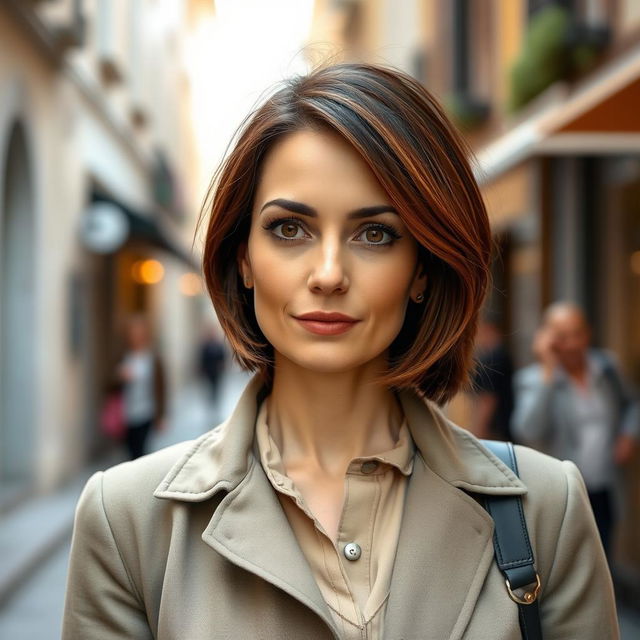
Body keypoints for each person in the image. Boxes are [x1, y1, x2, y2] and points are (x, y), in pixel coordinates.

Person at [63, 64, 618, 639]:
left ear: (421, 270)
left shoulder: (547, 510)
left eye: (375, 234)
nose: (328, 275)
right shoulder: (127, 520)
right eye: (289, 229)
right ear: (244, 259)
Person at [511, 302, 639, 556]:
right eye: (562, 337)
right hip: (564, 494)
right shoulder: (534, 380)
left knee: (604, 557)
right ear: (547, 339)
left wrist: (628, 435)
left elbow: (633, 403)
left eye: (577, 334)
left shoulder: (606, 368)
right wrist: (548, 370)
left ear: (587, 333)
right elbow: (527, 430)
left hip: (606, 485)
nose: (572, 344)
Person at [117, 314, 166, 459]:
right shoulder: (124, 355)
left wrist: (162, 415)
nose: (136, 335)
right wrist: (120, 376)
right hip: (126, 412)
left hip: (147, 411)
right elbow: (109, 383)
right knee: (130, 452)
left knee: (141, 452)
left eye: (139, 331)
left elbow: (161, 387)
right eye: (133, 332)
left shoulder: (153, 357)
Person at [468, 314, 514, 441]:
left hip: (494, 431)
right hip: (503, 427)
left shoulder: (491, 358)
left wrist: (477, 435)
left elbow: (487, 399)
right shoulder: (502, 354)